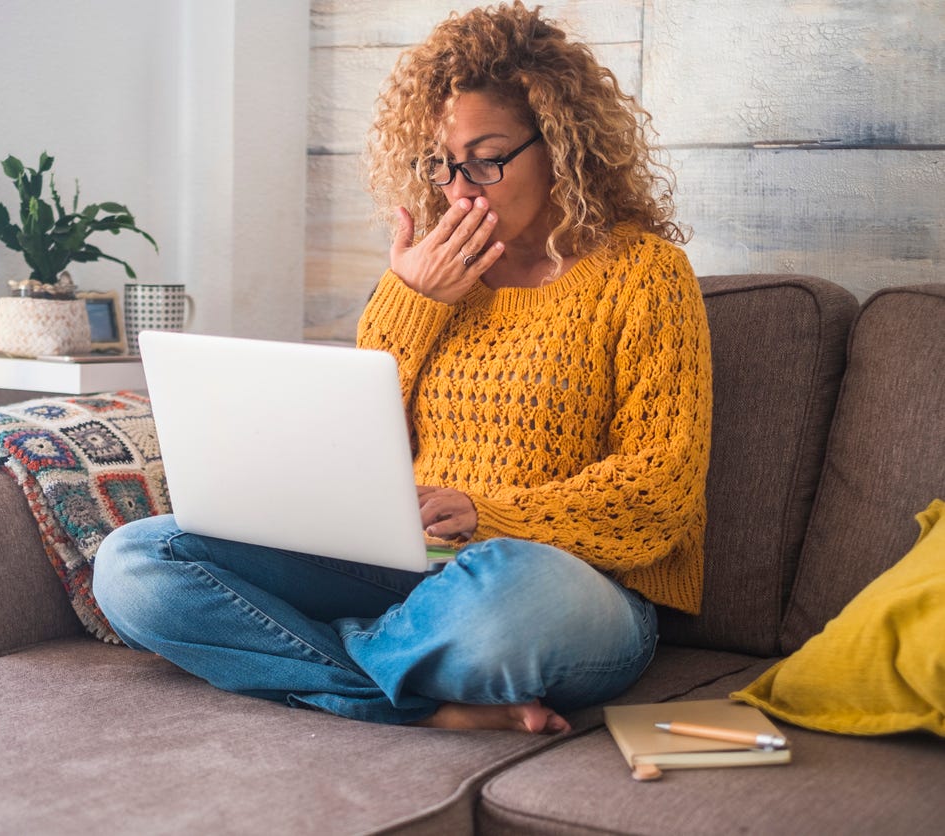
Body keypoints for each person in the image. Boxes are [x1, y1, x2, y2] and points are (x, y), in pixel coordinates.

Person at [92, 1, 712, 734]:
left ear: (562, 145)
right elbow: (351, 446)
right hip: (404, 568)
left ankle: (349, 658)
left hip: (561, 584)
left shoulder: (645, 274)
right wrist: (413, 298)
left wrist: (492, 515)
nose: (460, 188)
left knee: (505, 598)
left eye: (487, 157)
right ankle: (422, 697)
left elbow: (659, 492)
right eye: (441, 164)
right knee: (134, 561)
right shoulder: (422, 282)